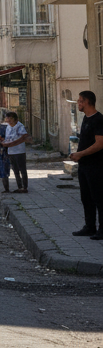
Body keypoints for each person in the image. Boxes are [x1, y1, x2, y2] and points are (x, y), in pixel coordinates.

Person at [71, 90, 103, 240]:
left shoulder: (98, 120)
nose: (78, 103)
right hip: (84, 165)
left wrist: (81, 154)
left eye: (80, 101)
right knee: (86, 197)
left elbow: (99, 144)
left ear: (87, 102)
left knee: (99, 198)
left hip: (96, 166)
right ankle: (90, 226)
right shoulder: (85, 118)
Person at [1, 112, 29, 193]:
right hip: (11, 151)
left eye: (10, 118)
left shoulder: (20, 126)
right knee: (15, 170)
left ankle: (25, 187)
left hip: (19, 151)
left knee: (22, 169)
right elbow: (8, 138)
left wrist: (12, 143)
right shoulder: (8, 127)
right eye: (7, 118)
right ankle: (19, 186)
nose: (9, 120)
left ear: (15, 119)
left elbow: (23, 137)